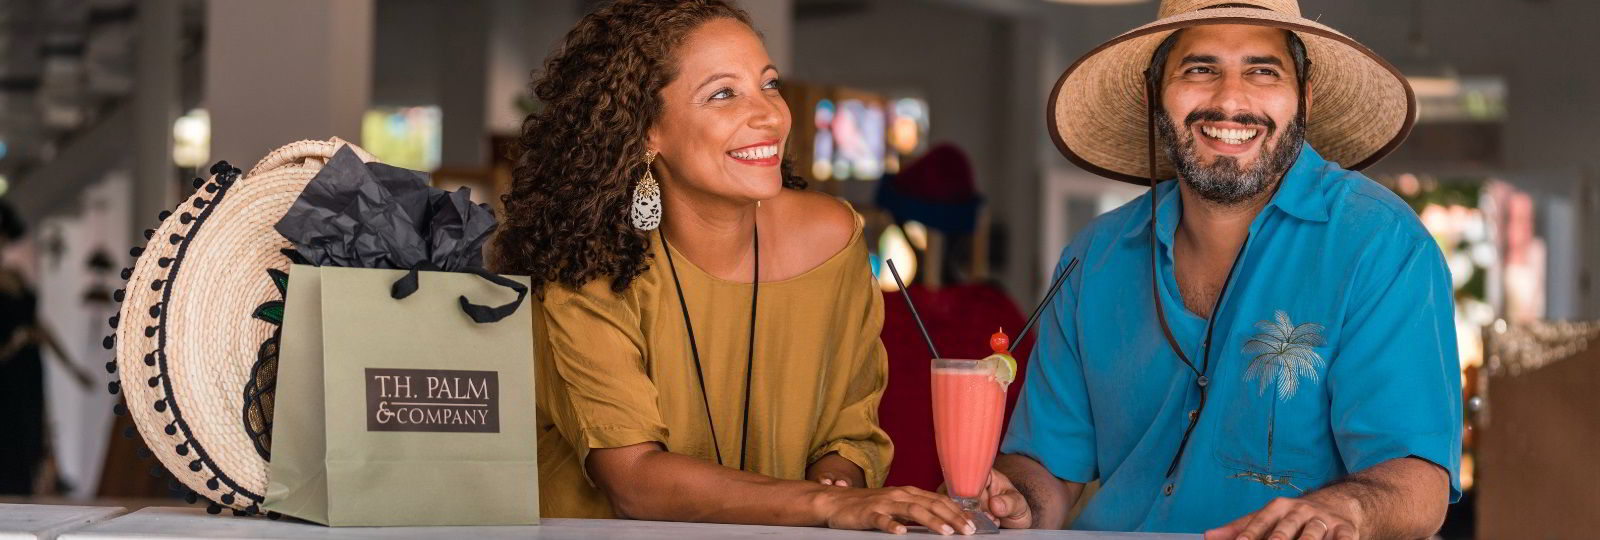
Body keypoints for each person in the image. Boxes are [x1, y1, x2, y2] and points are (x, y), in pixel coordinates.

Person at [978, 1, 1461, 538]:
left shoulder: (1380, 243)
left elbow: (1417, 487)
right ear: (1153, 93)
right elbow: (1045, 470)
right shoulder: (1095, 257)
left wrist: (1348, 512)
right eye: (1200, 69)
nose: (1231, 100)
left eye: (1263, 71)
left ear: (1302, 97)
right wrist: (1012, 500)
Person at [491, 0, 973, 534]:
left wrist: (839, 486)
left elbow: (849, 431)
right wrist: (823, 505)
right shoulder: (584, 265)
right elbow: (631, 479)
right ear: (646, 131)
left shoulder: (833, 240)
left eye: (769, 83)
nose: (771, 113)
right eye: (723, 93)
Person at [0, 200, 90, 494]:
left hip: (28, 367)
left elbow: (39, 326)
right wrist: (13, 344)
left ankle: (24, 495)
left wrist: (73, 368)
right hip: (5, 368)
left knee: (30, 431)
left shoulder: (17, 277)